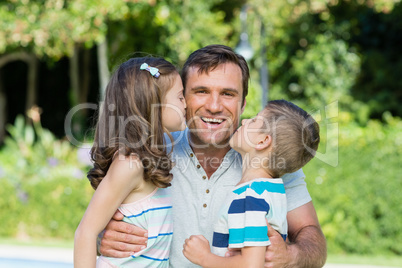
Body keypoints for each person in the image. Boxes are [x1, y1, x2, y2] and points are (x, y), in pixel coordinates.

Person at [99, 45, 327, 268]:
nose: (214, 106)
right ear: (182, 98)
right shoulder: (150, 150)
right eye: (201, 92)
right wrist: (106, 236)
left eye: (228, 94)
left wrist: (291, 256)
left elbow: (311, 236)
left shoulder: (274, 162)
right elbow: (100, 221)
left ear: (243, 103)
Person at [74, 57, 187, 267]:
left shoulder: (156, 157)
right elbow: (85, 232)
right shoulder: (129, 163)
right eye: (180, 97)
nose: (186, 104)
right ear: (154, 105)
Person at [182, 99, 320, 267]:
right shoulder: (271, 191)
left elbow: (251, 264)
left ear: (263, 141)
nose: (245, 120)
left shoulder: (250, 197)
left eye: (254, 120)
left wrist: (203, 257)